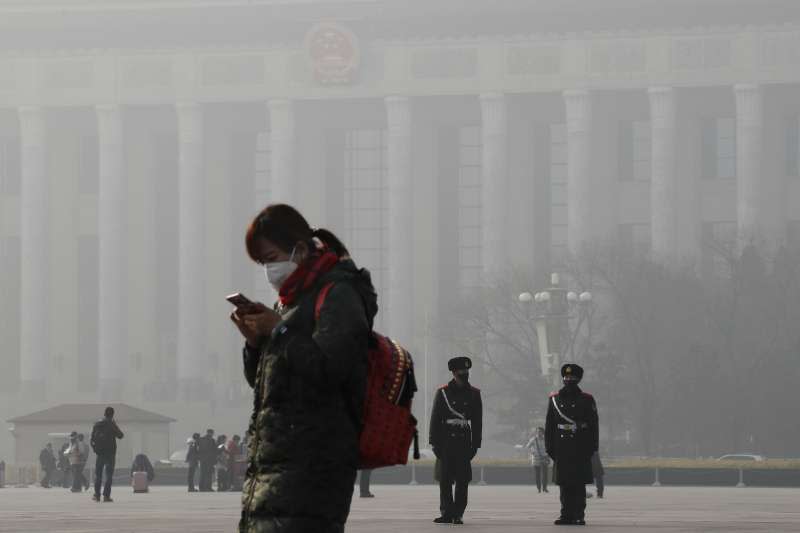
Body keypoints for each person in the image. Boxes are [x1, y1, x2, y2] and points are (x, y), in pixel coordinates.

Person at [232, 204, 375, 532]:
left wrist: (279, 331)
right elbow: (266, 387)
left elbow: (329, 369)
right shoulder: (289, 300)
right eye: (262, 262)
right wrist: (254, 343)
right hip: (275, 468)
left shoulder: (339, 294)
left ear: (298, 248)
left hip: (314, 466)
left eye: (271, 258)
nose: (269, 269)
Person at [429, 356, 483, 525]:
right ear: (453, 373)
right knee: (445, 480)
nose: (464, 374)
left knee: (462, 480)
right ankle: (446, 512)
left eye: (466, 371)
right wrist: (434, 442)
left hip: (463, 442)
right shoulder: (443, 392)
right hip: (445, 441)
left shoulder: (474, 393)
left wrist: (476, 444)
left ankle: (458, 513)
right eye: (461, 371)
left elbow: (477, 421)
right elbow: (435, 418)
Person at [545, 363, 599, 526]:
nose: (569, 380)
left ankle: (578, 514)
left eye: (572, 378)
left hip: (580, 445)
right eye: (567, 377)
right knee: (564, 483)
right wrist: (549, 447)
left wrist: (592, 447)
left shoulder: (587, 399)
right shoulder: (554, 399)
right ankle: (565, 514)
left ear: (578, 379)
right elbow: (550, 425)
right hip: (561, 445)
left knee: (578, 483)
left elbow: (593, 425)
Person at [90, 406, 124, 502]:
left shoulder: (97, 424)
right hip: (110, 454)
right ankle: (106, 496)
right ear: (112, 414)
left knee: (98, 475)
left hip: (100, 453)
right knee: (109, 475)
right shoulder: (111, 424)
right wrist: (114, 425)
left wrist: (96, 450)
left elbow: (92, 439)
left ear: (104, 413)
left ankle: (97, 495)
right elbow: (121, 435)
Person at [526, 426, 550, 493]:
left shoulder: (546, 439)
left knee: (545, 474)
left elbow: (549, 447)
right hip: (536, 458)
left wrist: (548, 455)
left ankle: (544, 488)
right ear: (536, 432)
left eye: (540, 431)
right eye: (538, 431)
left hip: (544, 458)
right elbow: (527, 447)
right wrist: (533, 452)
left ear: (543, 432)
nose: (539, 433)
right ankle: (539, 488)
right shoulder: (533, 439)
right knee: (537, 475)